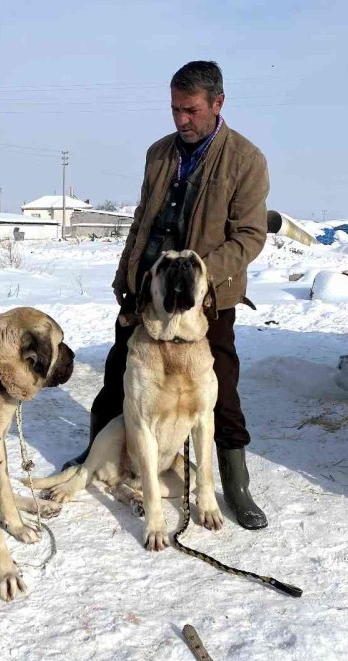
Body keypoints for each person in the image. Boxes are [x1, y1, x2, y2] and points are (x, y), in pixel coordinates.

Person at [63, 60, 271, 529]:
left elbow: (251, 235)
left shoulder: (246, 159)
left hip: (206, 296)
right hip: (148, 289)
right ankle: (98, 453)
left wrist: (199, 279)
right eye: (176, 109)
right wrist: (127, 275)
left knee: (222, 388)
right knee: (120, 372)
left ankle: (234, 483)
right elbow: (142, 221)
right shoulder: (159, 153)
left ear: (218, 105)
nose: (182, 120)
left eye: (191, 110)